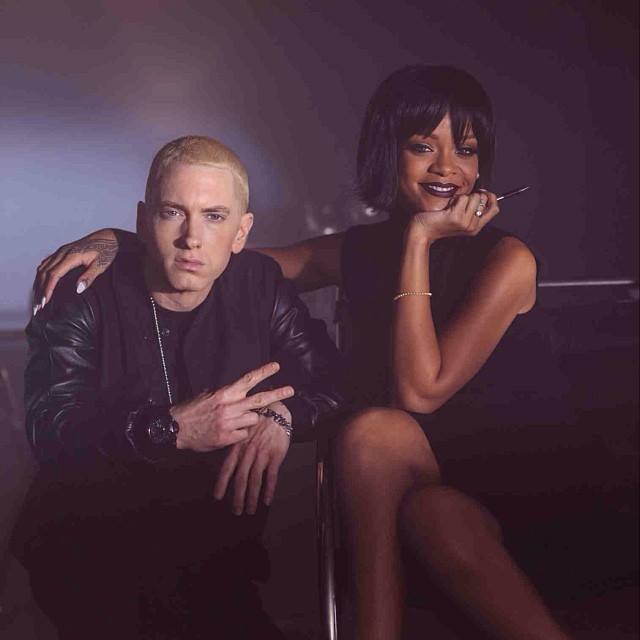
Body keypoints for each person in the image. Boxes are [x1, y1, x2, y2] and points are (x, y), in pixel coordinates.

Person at [31, 66, 569, 639]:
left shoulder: (508, 261)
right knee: (379, 446)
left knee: (388, 448)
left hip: (499, 485)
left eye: (465, 149)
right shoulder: (362, 249)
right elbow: (219, 252)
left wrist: (419, 238)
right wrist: (123, 239)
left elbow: (419, 392)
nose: (446, 167)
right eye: (422, 146)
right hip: (381, 482)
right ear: (388, 153)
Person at [13, 135, 344, 639]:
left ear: (241, 231)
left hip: (214, 567)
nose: (192, 238)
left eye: (214, 216)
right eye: (173, 213)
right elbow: (51, 430)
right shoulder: (82, 291)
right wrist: (169, 429)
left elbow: (335, 380)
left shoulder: (259, 284)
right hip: (91, 559)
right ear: (144, 220)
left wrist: (284, 416)